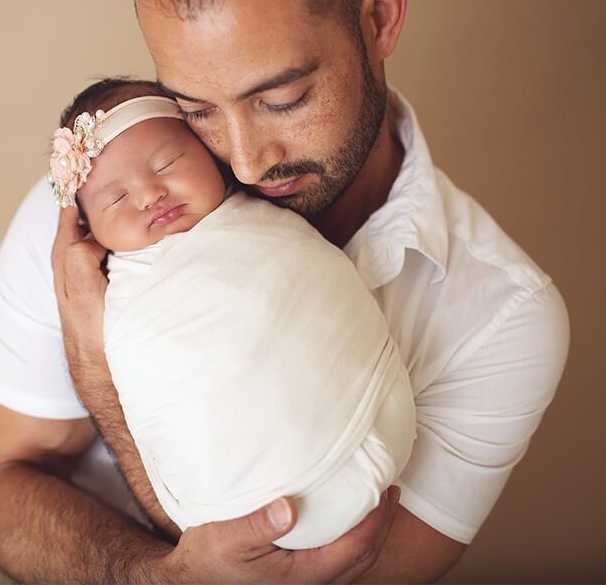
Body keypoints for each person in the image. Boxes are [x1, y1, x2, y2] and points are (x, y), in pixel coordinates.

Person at [0, 0, 569, 582]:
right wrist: (145, 576)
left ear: (381, 18)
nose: (246, 160)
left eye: (282, 98)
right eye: (197, 111)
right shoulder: (100, 216)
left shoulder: (501, 317)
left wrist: (97, 372)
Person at [47, 79, 414, 550]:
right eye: (116, 199)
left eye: (167, 164)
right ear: (87, 229)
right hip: (249, 502)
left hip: (376, 407)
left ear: (212, 156)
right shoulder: (114, 290)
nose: (148, 195)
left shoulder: (262, 212)